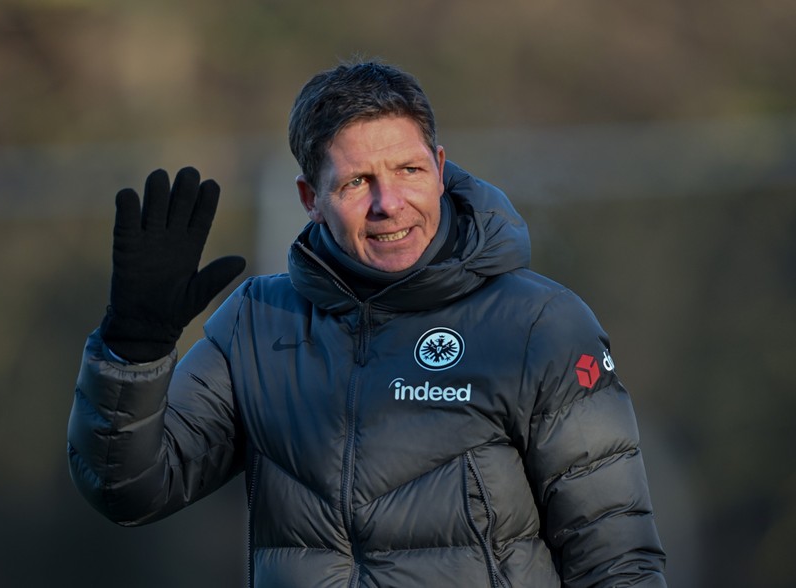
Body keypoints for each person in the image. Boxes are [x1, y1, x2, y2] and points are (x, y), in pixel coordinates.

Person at [68, 60, 667, 587]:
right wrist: (133, 350)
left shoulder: (542, 326)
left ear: (439, 165)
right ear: (310, 197)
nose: (389, 203)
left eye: (408, 170)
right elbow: (129, 490)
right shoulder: (255, 325)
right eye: (357, 182)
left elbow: (616, 562)